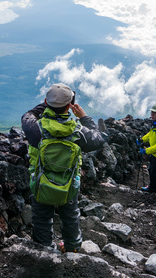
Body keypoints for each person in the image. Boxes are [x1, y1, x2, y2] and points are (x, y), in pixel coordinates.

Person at [21, 83, 105, 252]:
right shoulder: (78, 131)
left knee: (42, 215)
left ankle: (44, 248)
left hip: (40, 180)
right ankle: (72, 246)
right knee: (70, 214)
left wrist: (45, 104)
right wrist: (84, 117)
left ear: (46, 101)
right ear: (69, 106)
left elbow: (27, 115)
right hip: (69, 182)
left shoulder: (35, 128)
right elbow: (99, 138)